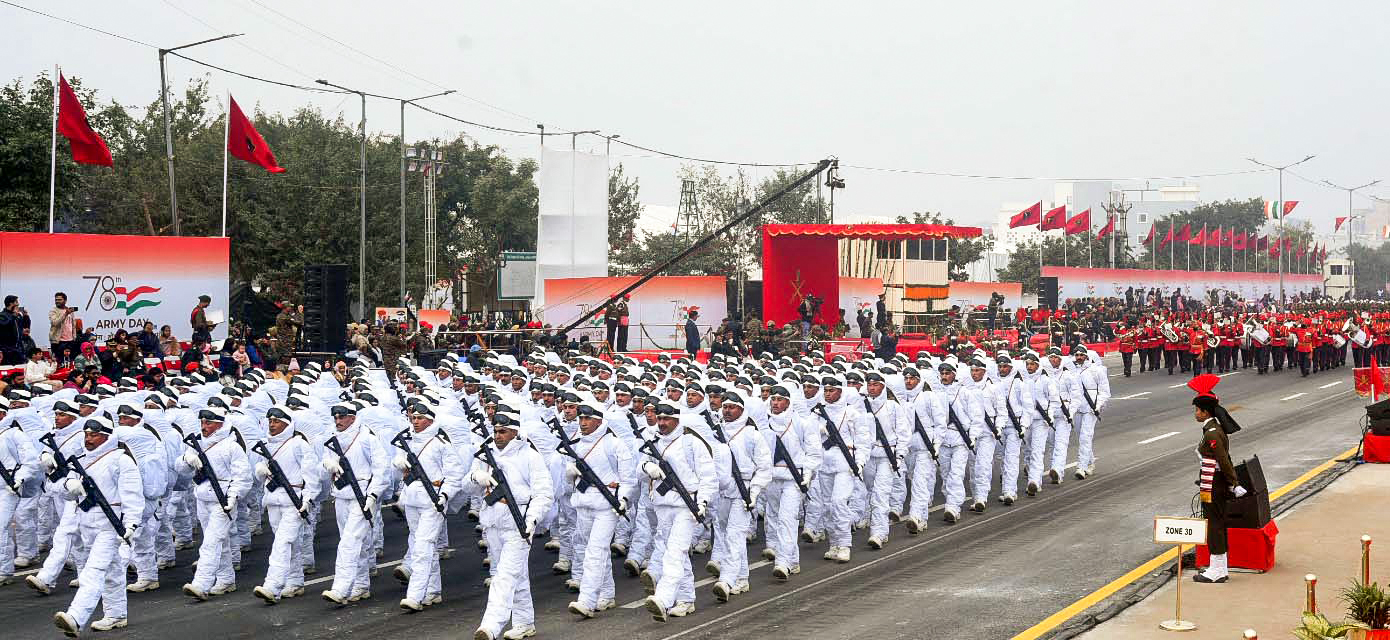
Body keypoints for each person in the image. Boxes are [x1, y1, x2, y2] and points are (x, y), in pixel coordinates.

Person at [51, 415, 142, 637]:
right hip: (88, 523)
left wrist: (130, 524)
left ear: (107, 436)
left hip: (110, 525)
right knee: (112, 571)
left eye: (94, 435)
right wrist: (68, 485)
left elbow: (132, 495)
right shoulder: (80, 460)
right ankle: (116, 614)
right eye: (86, 434)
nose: (88, 439)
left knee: (93, 571)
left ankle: (75, 617)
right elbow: (58, 489)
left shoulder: (121, 460)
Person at [467, 409, 553, 640]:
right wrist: (476, 477)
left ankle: (490, 626)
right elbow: (467, 487)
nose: (498, 435)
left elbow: (544, 493)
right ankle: (525, 623)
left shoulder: (529, 456)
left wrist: (532, 520)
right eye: (495, 431)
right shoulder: (485, 455)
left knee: (504, 576)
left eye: (503, 431)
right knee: (517, 575)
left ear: (515, 432)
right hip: (493, 523)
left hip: (519, 524)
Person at [639, 400, 717, 622]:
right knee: (673, 553)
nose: (661, 423)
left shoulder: (691, 443)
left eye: (666, 419)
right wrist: (647, 467)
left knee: (674, 552)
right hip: (662, 505)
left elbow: (708, 477)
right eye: (660, 418)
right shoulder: (653, 442)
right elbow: (638, 469)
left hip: (685, 506)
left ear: (676, 419)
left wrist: (701, 503)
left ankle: (662, 599)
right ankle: (685, 599)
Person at [565, 398, 637, 618]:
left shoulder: (614, 444)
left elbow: (629, 479)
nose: (583, 423)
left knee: (595, 552)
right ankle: (606, 595)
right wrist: (570, 474)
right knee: (593, 550)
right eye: (581, 418)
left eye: (587, 418)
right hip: (583, 503)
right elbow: (567, 480)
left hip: (607, 506)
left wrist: (623, 499)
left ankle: (586, 600)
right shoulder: (575, 444)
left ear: (598, 421)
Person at [392, 402, 465, 612]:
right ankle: (433, 591)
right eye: (413, 418)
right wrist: (398, 464)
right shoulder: (409, 442)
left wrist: (445, 495)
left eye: (420, 418)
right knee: (420, 544)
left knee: (422, 547)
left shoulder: (441, 443)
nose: (415, 422)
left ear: (431, 420)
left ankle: (415, 595)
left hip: (433, 501)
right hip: (413, 499)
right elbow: (401, 470)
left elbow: (455, 475)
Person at [175, 406, 251, 601]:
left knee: (211, 542)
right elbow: (181, 469)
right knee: (220, 542)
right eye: (202, 422)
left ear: (220, 423)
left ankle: (201, 583)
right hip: (203, 498)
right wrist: (187, 459)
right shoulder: (197, 444)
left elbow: (242, 476)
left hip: (222, 500)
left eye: (208, 422)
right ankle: (225, 580)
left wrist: (234, 496)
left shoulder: (231, 446)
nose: (204, 426)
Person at [319, 402, 389, 605]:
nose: (338, 421)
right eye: (336, 418)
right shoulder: (332, 440)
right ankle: (360, 585)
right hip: (341, 495)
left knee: (349, 542)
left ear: (352, 417)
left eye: (342, 417)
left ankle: (340, 588)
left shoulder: (367, 439)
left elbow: (381, 468)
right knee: (357, 541)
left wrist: (373, 495)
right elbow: (322, 468)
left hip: (363, 496)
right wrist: (327, 465)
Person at [251, 405, 321, 604]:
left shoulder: (299, 445)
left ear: (287, 424)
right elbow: (258, 477)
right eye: (270, 421)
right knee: (290, 543)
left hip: (293, 500)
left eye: (276, 421)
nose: (272, 425)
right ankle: (295, 581)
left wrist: (307, 499)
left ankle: (273, 586)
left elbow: (311, 476)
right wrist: (260, 470)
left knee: (282, 543)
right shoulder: (266, 444)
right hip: (273, 499)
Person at [1187, 374, 1246, 583]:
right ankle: (1219, 567)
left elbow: (1223, 459)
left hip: (1213, 483)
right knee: (1216, 523)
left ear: (1205, 411)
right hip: (1213, 481)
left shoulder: (1211, 433)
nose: (1195, 413)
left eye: (1197, 410)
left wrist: (1234, 483)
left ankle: (1217, 570)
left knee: (1215, 524)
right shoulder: (1213, 429)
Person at [0, 295, 31, 365]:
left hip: (19, 348)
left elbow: (26, 327)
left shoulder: (17, 315)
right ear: (11, 303)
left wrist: (26, 317)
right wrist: (13, 316)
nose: (18, 304)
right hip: (7, 349)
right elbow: (4, 325)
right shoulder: (2, 315)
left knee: (21, 368)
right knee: (9, 370)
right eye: (16, 302)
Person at [49, 292, 81, 359]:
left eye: (60, 299)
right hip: (59, 341)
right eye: (56, 300)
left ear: (65, 300)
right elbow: (55, 323)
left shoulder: (69, 310)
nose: (57, 301)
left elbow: (73, 325)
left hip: (70, 340)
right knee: (59, 361)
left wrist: (74, 337)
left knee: (71, 360)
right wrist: (65, 314)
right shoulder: (53, 311)